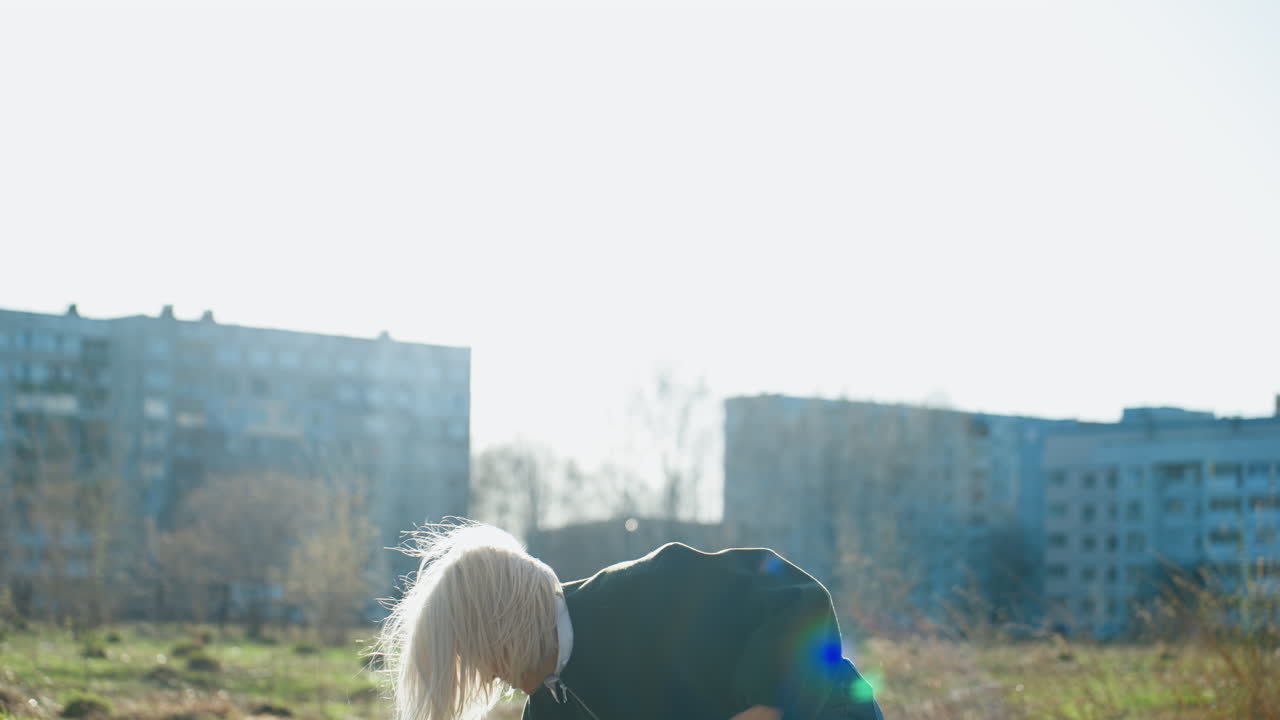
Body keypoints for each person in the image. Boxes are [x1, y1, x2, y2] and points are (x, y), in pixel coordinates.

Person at [379, 521, 884, 720]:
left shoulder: (654, 587)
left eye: (480, 654)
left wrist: (771, 703)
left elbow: (797, 599)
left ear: (501, 623)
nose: (490, 676)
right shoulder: (549, 710)